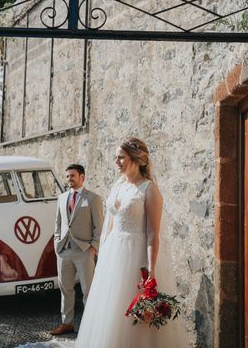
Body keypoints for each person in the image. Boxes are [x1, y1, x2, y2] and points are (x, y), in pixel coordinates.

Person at [73, 137, 187, 347]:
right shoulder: (118, 185)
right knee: (111, 310)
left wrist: (151, 272)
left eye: (121, 157)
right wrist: (103, 253)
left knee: (138, 314)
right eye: (115, 157)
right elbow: (110, 224)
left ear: (137, 159)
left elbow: (153, 233)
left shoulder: (149, 190)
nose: (116, 162)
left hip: (137, 257)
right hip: (113, 255)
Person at [50, 164, 104, 336]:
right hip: (63, 250)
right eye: (67, 176)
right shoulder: (62, 197)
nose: (69, 179)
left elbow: (99, 227)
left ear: (82, 177)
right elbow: (58, 224)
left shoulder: (93, 198)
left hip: (84, 250)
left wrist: (94, 248)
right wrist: (56, 243)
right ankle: (67, 323)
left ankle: (90, 326)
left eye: (72, 175)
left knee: (87, 289)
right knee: (65, 288)